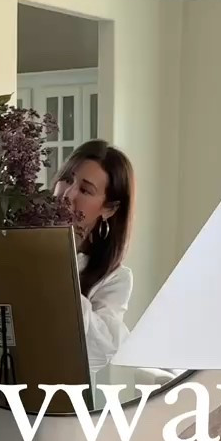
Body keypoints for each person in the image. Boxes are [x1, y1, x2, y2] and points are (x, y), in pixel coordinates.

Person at [53, 140, 135, 372]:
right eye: (67, 179)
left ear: (109, 209)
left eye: (86, 190)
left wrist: (57, 268)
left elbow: (99, 353)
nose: (67, 194)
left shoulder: (116, 279)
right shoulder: (13, 242)